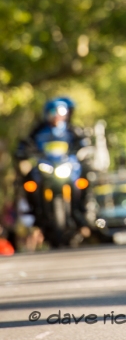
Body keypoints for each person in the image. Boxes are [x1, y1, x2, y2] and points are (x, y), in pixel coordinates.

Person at [14, 98, 91, 241]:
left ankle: (80, 210)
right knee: (29, 181)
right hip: (45, 169)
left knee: (85, 177)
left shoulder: (71, 130)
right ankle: (35, 211)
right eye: (53, 112)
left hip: (68, 168)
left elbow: (83, 143)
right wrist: (22, 152)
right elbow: (24, 145)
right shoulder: (39, 130)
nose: (57, 116)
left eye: (61, 112)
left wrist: (84, 149)